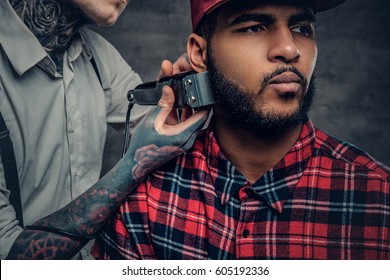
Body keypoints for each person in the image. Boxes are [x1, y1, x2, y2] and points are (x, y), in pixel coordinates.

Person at [93, 0, 390, 260]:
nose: (289, 49)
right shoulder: (145, 203)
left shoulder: (378, 201)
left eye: (302, 29)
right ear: (199, 53)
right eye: (253, 27)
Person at [0, 0, 207, 259]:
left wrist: (188, 96)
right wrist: (133, 165)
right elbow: (8, 257)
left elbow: (167, 134)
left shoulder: (97, 54)